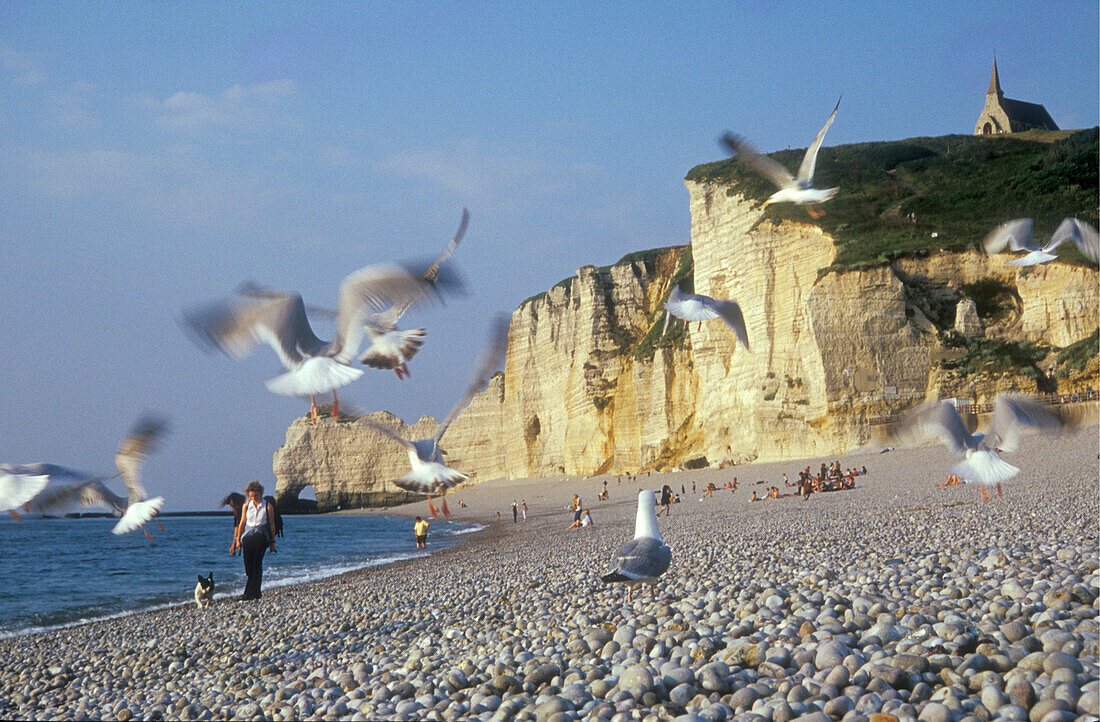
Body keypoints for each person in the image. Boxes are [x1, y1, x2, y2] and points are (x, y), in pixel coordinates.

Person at [231, 480, 278, 601]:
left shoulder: (268, 506)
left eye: (256, 495)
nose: (253, 498)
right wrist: (237, 540)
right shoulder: (246, 505)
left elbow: (272, 525)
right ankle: (255, 592)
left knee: (257, 563)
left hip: (261, 535)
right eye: (251, 496)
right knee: (249, 565)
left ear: (261, 493)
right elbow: (241, 523)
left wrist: (273, 542)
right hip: (248, 535)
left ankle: (250, 593)